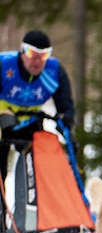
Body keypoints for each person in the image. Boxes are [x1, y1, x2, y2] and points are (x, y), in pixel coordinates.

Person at [0, 29, 76, 183]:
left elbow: (66, 107)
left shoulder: (54, 72)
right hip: (3, 119)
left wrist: (67, 126)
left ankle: (38, 196)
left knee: (44, 151)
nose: (37, 61)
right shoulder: (4, 65)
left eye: (44, 55)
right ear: (22, 52)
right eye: (31, 54)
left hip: (30, 122)